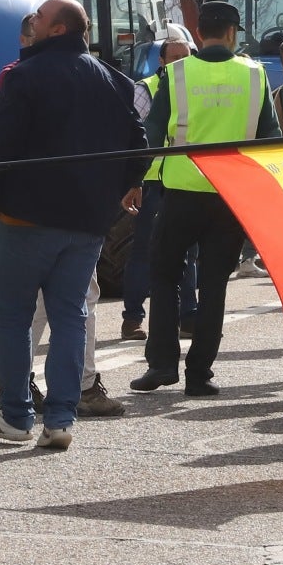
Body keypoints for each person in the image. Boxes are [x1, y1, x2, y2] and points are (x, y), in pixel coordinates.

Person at [0, 0, 149, 448]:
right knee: (71, 315)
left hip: (24, 217)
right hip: (86, 224)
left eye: (39, 17)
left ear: (56, 30)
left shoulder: (26, 76)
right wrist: (117, 191)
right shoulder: (115, 80)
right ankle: (62, 419)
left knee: (12, 317)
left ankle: (15, 417)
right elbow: (139, 144)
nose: (31, 21)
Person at [132, 0, 279, 396]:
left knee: (164, 278)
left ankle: (162, 365)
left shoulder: (175, 74)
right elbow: (271, 139)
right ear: (233, 34)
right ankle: (200, 374)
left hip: (180, 193)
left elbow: (151, 135)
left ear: (198, 33)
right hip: (231, 198)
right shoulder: (255, 76)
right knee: (215, 286)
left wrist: (138, 182)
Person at [125, 24, 197, 338]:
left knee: (189, 252)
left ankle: (188, 317)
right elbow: (134, 137)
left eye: (186, 56)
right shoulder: (147, 88)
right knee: (144, 250)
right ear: (162, 63)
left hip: (187, 181)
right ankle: (133, 318)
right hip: (152, 183)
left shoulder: (198, 87)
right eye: (174, 57)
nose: (180, 62)